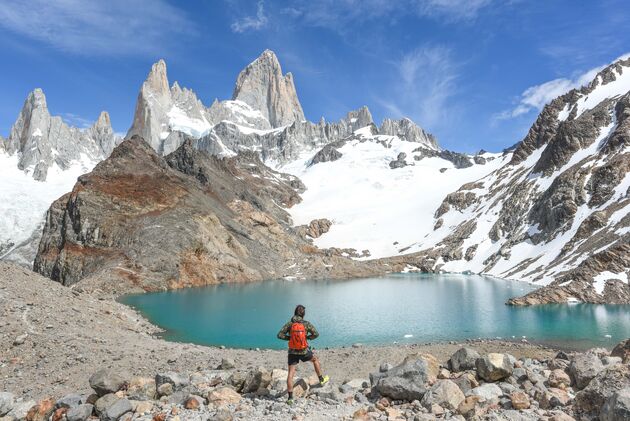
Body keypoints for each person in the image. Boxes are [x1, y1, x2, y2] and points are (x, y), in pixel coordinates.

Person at [277, 304, 329, 404]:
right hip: (304, 351)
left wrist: (290, 338)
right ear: (303, 314)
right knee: (315, 360)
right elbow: (316, 334)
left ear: (294, 313)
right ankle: (321, 379)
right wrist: (307, 338)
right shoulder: (306, 324)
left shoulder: (290, 324)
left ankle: (290, 398)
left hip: (292, 352)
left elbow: (279, 335)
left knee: (291, 374)